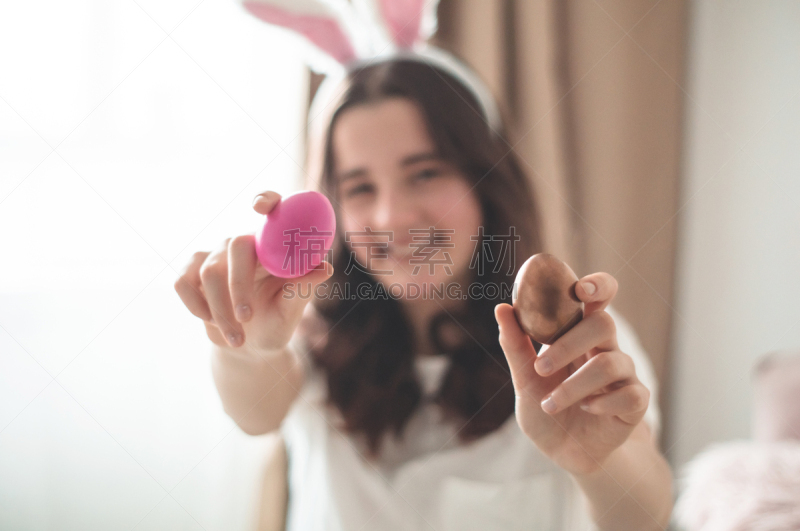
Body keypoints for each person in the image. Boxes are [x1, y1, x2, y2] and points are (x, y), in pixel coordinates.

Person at [175, 54, 672, 531]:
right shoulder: (311, 337)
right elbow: (256, 411)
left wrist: (598, 461)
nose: (390, 217)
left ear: (485, 181)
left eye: (425, 173)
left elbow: (644, 518)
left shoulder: (575, 348)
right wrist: (245, 343)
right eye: (360, 188)